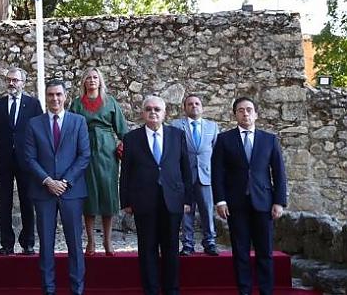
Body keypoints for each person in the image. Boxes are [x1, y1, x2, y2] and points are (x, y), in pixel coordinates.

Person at [212, 97, 287, 295]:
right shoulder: (224, 139)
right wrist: (220, 200)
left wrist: (279, 201)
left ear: (256, 114)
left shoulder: (269, 139)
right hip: (236, 205)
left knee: (265, 252)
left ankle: (266, 290)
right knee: (240, 252)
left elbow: (279, 173)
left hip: (264, 203)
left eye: (249, 109)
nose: (245, 113)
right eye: (240, 110)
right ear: (235, 114)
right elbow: (217, 173)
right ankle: (244, 290)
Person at [23, 79, 90, 295]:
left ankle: (77, 289)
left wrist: (65, 182)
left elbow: (84, 155)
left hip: (72, 191)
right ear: (46, 96)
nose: (55, 99)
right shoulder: (34, 124)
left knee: (75, 245)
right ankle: (48, 289)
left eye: (58, 94)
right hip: (44, 191)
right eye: (51, 95)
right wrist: (48, 181)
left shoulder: (78, 122)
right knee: (46, 244)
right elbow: (29, 158)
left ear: (65, 96)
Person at [120, 95, 192, 295]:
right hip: (144, 201)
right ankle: (150, 289)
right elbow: (125, 171)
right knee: (147, 248)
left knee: (170, 248)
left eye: (157, 109)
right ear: (143, 113)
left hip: (172, 200)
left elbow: (186, 169)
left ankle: (171, 289)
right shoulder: (131, 138)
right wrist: (125, 200)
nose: (153, 112)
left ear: (164, 113)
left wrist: (188, 199)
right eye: (149, 109)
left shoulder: (177, 135)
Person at [0, 67, 42, 255]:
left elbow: (40, 132)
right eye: (9, 80)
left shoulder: (33, 104)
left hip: (27, 161)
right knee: (4, 203)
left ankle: (28, 242)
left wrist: (41, 159)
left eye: (15, 80)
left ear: (23, 83)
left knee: (27, 201)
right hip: (4, 160)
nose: (11, 83)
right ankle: (6, 243)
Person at [68, 67, 128, 256]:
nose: (92, 80)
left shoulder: (110, 102)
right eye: (88, 78)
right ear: (84, 82)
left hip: (107, 151)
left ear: (100, 81)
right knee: (89, 196)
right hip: (84, 149)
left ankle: (108, 241)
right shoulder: (77, 104)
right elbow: (69, 130)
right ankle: (91, 241)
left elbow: (122, 131)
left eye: (95, 77)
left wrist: (123, 146)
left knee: (107, 194)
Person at [171, 94, 219, 256]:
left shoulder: (212, 127)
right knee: (186, 212)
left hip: (206, 176)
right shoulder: (176, 125)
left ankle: (210, 242)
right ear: (184, 108)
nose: (194, 106)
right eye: (190, 104)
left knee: (207, 210)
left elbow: (216, 152)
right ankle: (187, 244)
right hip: (185, 176)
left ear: (202, 107)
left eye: (197, 103)